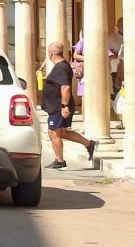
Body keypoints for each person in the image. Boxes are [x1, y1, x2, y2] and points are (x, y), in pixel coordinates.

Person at [40, 41, 96, 169]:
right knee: (62, 132)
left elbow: (65, 87)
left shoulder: (61, 67)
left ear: (51, 53)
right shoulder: (61, 66)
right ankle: (89, 144)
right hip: (57, 106)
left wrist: (64, 106)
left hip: (59, 107)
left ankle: (59, 161)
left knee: (53, 132)